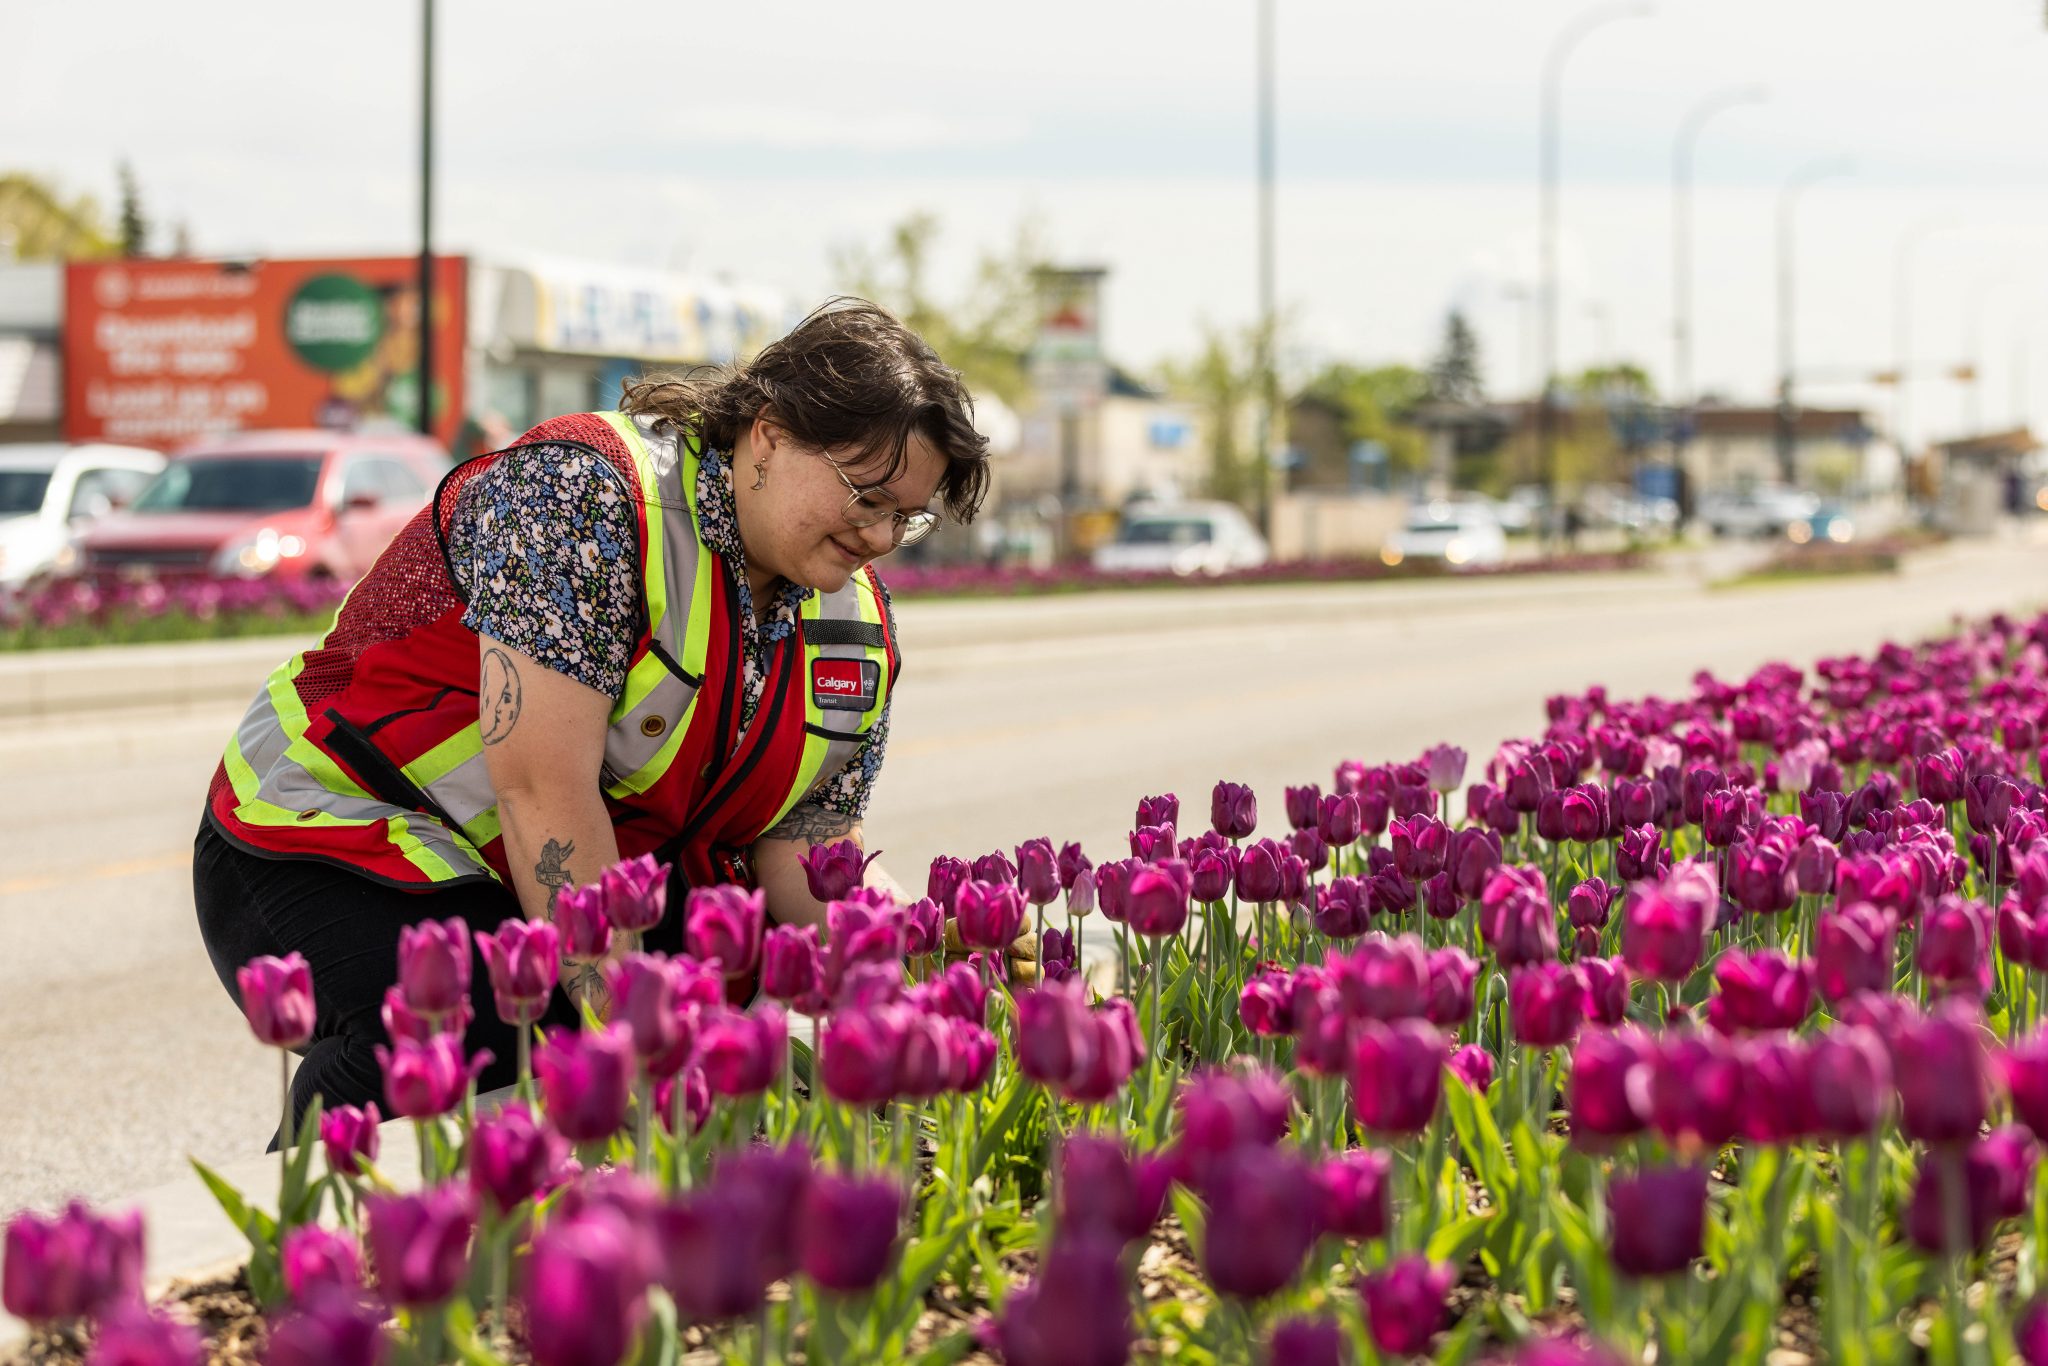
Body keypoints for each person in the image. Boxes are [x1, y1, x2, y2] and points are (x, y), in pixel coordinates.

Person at [193, 298, 1007, 1136]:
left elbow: (805, 853)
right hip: (326, 825)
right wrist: (634, 1042)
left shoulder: (854, 624)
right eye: (864, 494)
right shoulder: (587, 499)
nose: (876, 535)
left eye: (902, 517)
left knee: (721, 1025)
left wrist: (931, 950)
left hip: (532, 867)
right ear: (768, 434)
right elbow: (543, 795)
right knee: (492, 1021)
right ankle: (315, 1227)